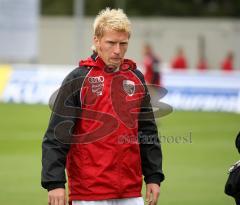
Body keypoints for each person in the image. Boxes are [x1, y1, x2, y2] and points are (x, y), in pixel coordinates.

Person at [41, 8, 164, 205]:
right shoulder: (78, 79)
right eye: (111, 43)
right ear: (97, 41)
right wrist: (54, 182)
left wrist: (153, 176)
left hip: (130, 192)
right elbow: (56, 135)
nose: (117, 50)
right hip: (89, 192)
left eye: (123, 44)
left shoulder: (136, 78)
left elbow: (147, 131)